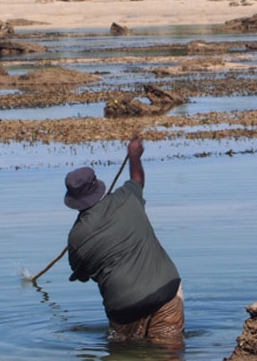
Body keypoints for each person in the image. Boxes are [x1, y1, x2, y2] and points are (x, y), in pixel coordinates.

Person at [64, 134, 184, 345]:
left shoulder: (76, 238)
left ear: (73, 201)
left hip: (124, 309)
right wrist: (134, 155)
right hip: (166, 292)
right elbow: (137, 179)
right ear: (97, 186)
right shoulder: (127, 198)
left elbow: (82, 275)